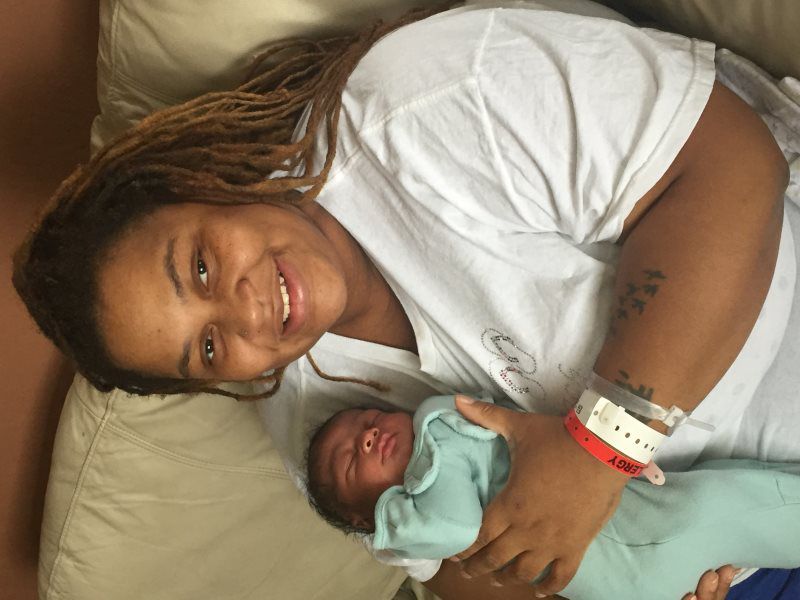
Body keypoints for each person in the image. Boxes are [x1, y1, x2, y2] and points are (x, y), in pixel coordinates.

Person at [12, 2, 798, 599]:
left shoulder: (430, 102)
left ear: (201, 185)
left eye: (203, 267)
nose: (248, 316)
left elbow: (732, 169)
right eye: (208, 349)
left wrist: (598, 451)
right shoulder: (307, 411)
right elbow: (452, 563)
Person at [304, 396, 800, 600]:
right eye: (350, 460)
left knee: (740, 494)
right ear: (368, 515)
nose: (367, 435)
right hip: (635, 547)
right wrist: (393, 520)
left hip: (640, 546)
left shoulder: (445, 431)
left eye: (366, 419)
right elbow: (452, 530)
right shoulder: (429, 483)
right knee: (738, 506)